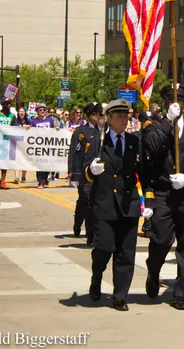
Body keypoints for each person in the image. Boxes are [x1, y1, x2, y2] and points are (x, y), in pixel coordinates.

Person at [84, 99, 151, 312]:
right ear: (110, 119)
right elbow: (83, 171)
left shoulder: (134, 141)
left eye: (127, 116)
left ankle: (120, 295)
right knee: (104, 248)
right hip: (105, 204)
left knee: (126, 253)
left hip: (128, 204)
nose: (125, 120)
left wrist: (147, 200)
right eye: (120, 116)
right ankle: (97, 277)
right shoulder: (98, 141)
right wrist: (90, 171)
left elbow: (145, 172)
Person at [142, 84, 184, 310]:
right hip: (163, 193)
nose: (176, 104)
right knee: (160, 240)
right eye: (170, 100)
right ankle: (153, 271)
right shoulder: (154, 127)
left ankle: (180, 293)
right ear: (166, 103)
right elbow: (154, 148)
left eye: (179, 101)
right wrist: (168, 121)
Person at [68, 102, 103, 246]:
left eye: (100, 114)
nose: (99, 117)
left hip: (100, 174)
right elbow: (74, 153)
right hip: (85, 174)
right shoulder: (80, 132)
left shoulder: (103, 131)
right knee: (85, 202)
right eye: (96, 114)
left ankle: (93, 234)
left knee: (95, 204)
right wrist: (73, 173)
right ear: (89, 116)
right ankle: (81, 227)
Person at [0, 99, 17, 190]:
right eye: (7, 104)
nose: (9, 105)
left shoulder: (12, 115)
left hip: (6, 141)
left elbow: (14, 128)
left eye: (10, 104)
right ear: (2, 105)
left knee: (4, 162)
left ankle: (3, 181)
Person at [30, 103, 57, 188]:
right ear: (37, 112)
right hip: (38, 146)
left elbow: (54, 130)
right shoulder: (34, 121)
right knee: (39, 164)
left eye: (43, 110)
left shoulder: (50, 120)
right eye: (40, 110)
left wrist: (57, 129)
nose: (42, 111)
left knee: (47, 164)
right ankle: (40, 181)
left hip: (48, 145)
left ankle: (45, 178)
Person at [15, 107, 31, 184]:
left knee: (24, 160)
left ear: (25, 113)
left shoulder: (28, 121)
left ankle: (23, 176)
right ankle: (16, 177)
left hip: (26, 143)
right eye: (20, 111)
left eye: (23, 111)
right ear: (18, 113)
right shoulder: (15, 121)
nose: (21, 112)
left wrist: (29, 127)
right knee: (16, 160)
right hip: (16, 142)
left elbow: (33, 128)